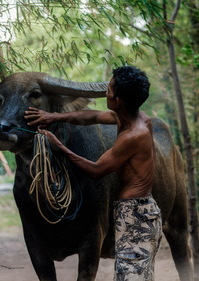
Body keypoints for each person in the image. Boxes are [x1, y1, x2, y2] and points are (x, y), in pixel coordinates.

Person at [24, 65, 162, 281]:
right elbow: (93, 116)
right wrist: (54, 116)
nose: (105, 92)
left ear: (119, 101)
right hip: (137, 211)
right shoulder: (132, 117)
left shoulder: (134, 135)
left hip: (136, 215)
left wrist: (59, 146)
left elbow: (97, 170)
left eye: (109, 89)